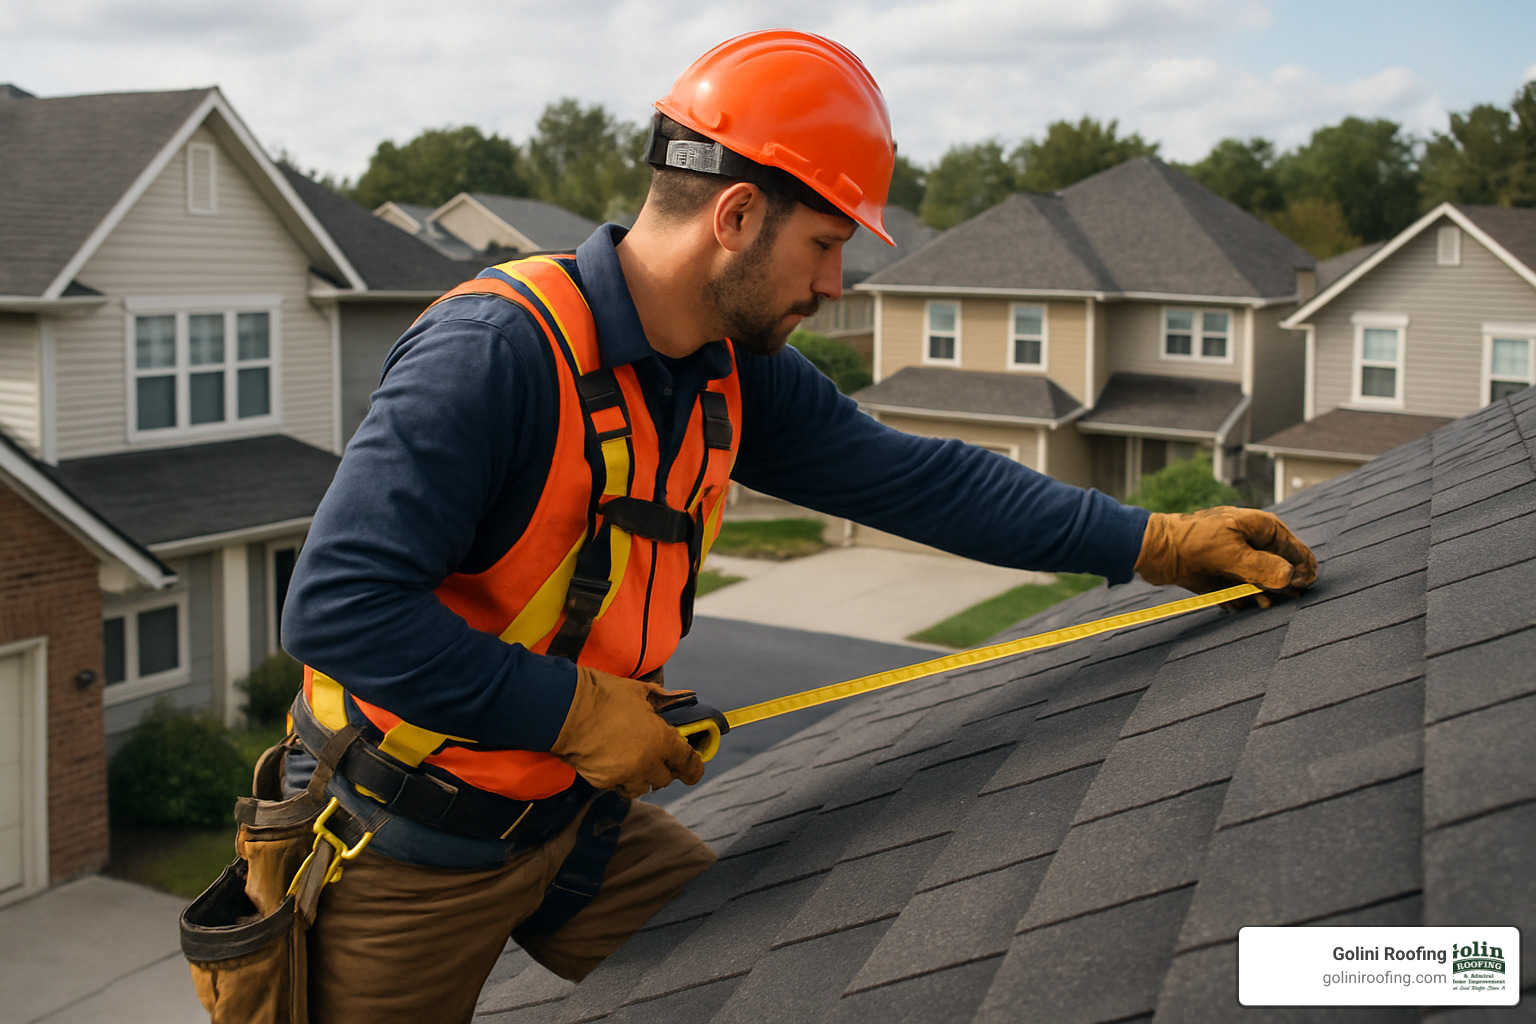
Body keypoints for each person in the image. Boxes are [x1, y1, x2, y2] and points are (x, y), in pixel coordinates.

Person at [270, 29, 1316, 1022]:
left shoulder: (731, 372)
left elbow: (924, 478)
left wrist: (1159, 542)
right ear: (733, 217)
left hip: (574, 820)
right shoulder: (495, 357)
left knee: (770, 985)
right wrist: (579, 712)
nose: (834, 283)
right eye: (824, 244)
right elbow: (337, 608)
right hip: (404, 841)